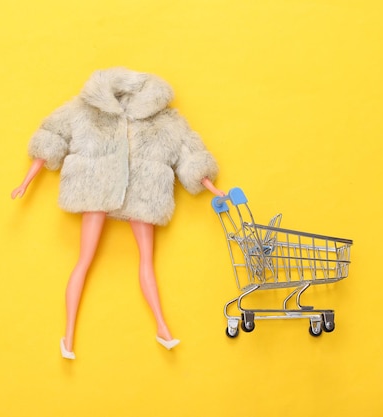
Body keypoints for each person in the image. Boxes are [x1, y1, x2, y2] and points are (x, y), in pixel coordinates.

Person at [11, 67, 224, 359]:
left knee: (146, 260)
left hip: (144, 194)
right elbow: (52, 137)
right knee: (84, 260)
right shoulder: (84, 109)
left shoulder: (167, 119)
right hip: (95, 187)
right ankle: (68, 335)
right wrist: (25, 181)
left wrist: (210, 185)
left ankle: (162, 327)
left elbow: (191, 154)